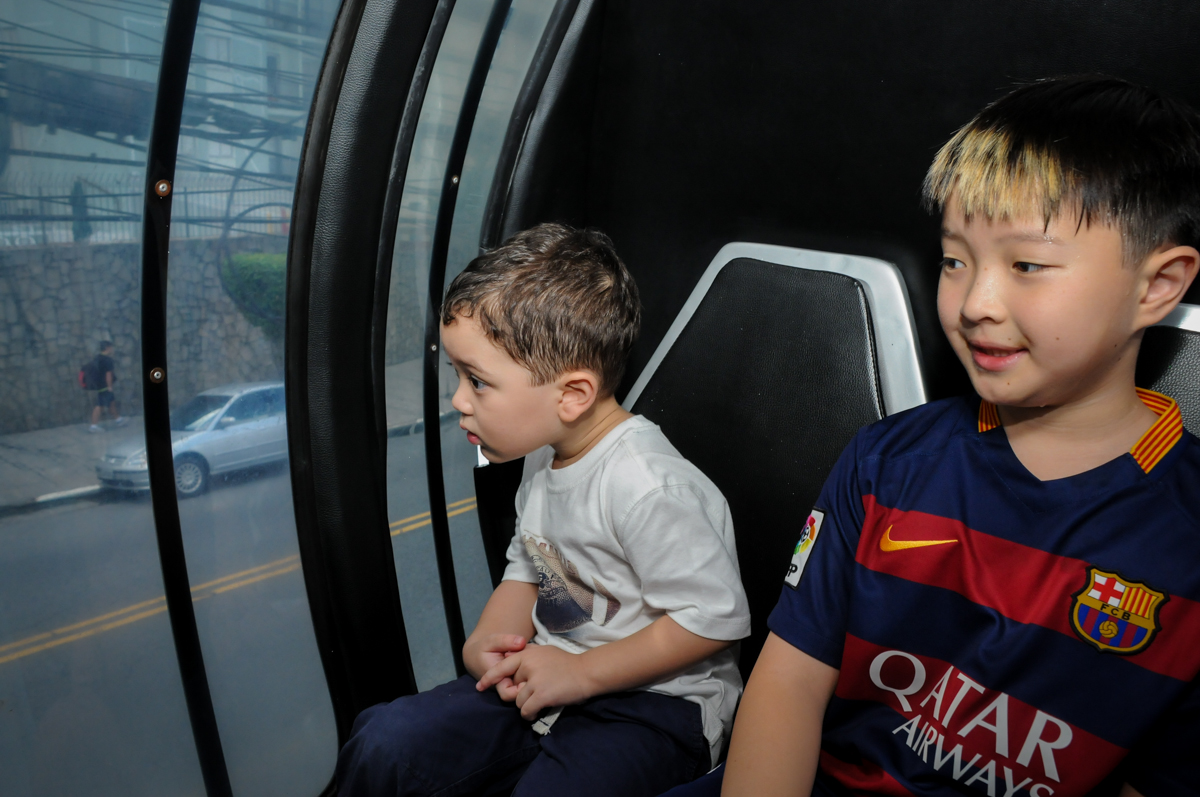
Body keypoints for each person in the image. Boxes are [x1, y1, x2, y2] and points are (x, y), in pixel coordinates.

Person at [665, 76, 1200, 797]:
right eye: (956, 260)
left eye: (1027, 266)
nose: (976, 303)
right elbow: (789, 681)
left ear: (1157, 285)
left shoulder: (1184, 536)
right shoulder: (886, 462)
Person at [336, 223, 751, 796]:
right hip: (551, 672)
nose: (458, 399)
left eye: (478, 382)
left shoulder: (647, 486)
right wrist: (487, 639)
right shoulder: (544, 456)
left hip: (656, 706)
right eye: (458, 376)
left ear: (572, 395)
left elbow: (712, 620)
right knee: (386, 742)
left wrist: (582, 674)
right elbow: (532, 566)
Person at [89, 340, 127, 433]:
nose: (112, 349)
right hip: (105, 386)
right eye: (111, 347)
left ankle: (119, 420)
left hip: (99, 385)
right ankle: (93, 426)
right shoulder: (107, 360)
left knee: (111, 403)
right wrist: (109, 386)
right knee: (100, 405)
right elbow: (108, 374)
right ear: (107, 348)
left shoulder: (97, 358)